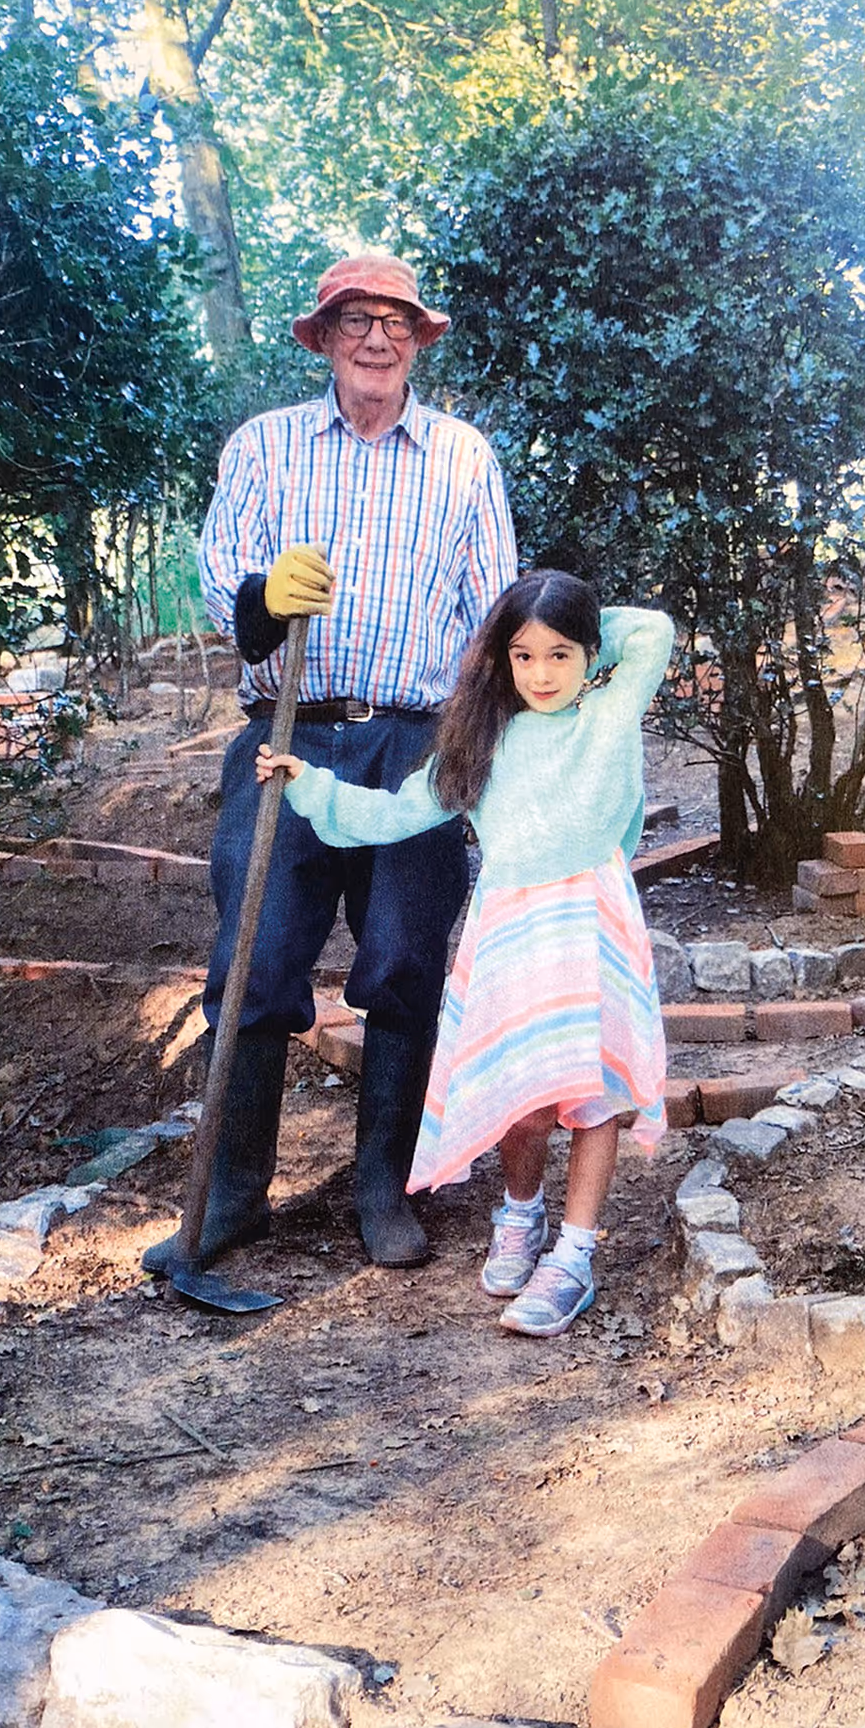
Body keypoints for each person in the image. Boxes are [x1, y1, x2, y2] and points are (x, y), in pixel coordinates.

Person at [142, 253, 517, 1277]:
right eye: (355, 319)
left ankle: (381, 1193)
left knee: (400, 962)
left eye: (396, 321)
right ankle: (230, 1198)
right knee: (254, 960)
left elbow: (493, 616)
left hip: (413, 744)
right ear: (323, 336)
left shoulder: (460, 456)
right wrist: (268, 596)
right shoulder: (264, 448)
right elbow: (224, 587)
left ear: (418, 339)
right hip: (288, 733)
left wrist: (493, 746)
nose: (377, 338)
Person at [256, 569, 673, 1337]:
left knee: (597, 1087)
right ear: (500, 661)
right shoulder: (484, 739)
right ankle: (522, 1213)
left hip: (592, 918)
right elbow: (392, 814)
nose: (541, 674)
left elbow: (653, 631)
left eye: (560, 655)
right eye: (522, 656)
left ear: (588, 656)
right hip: (512, 929)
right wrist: (310, 785)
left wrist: (563, 617)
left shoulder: (611, 711)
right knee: (525, 1093)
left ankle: (574, 1254)